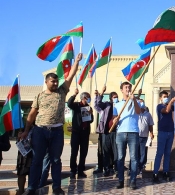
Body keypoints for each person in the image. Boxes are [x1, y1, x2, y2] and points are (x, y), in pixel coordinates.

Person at [20, 53, 82, 195]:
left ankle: (56, 187)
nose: (55, 83)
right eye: (52, 81)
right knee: (37, 160)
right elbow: (31, 114)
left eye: (56, 81)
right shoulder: (40, 96)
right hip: (40, 131)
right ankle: (31, 188)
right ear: (46, 82)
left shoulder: (62, 91)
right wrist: (25, 130)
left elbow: (70, 76)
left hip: (56, 132)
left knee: (55, 160)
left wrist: (77, 61)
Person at [112, 82, 141, 190]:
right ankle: (120, 180)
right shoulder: (117, 105)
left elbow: (138, 112)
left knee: (133, 158)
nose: (128, 89)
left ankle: (133, 181)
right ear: (122, 90)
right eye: (126, 87)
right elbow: (114, 120)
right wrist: (115, 120)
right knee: (120, 158)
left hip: (133, 132)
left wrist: (133, 100)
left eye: (129, 87)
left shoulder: (136, 102)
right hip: (120, 133)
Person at [67, 89, 94, 179]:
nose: (89, 99)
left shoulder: (89, 108)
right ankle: (73, 171)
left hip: (85, 132)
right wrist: (74, 94)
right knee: (74, 152)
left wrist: (91, 114)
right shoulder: (76, 105)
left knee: (83, 152)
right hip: (76, 132)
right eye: (88, 98)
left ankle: (81, 170)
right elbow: (69, 103)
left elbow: (91, 120)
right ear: (84, 98)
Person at [94, 86, 118, 177]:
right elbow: (98, 104)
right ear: (111, 98)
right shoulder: (107, 105)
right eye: (114, 97)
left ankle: (115, 168)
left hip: (115, 131)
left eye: (116, 97)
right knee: (105, 150)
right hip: (106, 131)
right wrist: (102, 92)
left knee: (115, 150)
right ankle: (106, 168)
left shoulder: (119, 105)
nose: (115, 99)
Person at [152, 91, 175, 183]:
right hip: (162, 132)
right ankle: (155, 173)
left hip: (170, 131)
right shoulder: (159, 106)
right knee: (160, 153)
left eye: (167, 97)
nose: (166, 98)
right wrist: (171, 101)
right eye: (164, 97)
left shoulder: (170, 106)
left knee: (167, 153)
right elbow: (166, 111)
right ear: (160, 98)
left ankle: (166, 172)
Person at [137, 97, 154, 172]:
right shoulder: (136, 113)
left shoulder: (148, 114)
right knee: (135, 152)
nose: (141, 104)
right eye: (139, 102)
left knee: (143, 152)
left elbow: (150, 125)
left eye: (142, 102)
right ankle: (135, 167)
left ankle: (142, 166)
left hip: (144, 137)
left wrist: (151, 133)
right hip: (136, 136)